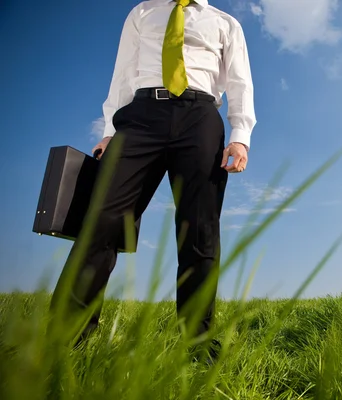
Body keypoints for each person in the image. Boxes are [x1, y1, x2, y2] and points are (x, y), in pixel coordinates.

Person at [49, 0, 256, 363]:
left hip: (201, 117)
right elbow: (124, 74)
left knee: (200, 231)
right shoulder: (142, 13)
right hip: (141, 117)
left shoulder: (225, 23)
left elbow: (239, 80)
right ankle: (62, 343)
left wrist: (240, 134)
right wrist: (110, 130)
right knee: (102, 222)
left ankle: (198, 347)